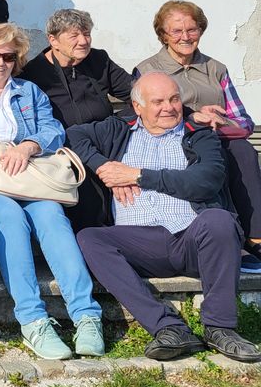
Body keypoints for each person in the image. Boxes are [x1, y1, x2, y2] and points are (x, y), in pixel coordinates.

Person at [0, 23, 105, 360]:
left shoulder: (29, 91)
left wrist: (28, 146)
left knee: (53, 217)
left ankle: (87, 316)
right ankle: (33, 320)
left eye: (8, 57)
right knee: (11, 221)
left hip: (29, 177)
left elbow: (53, 130)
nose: (0, 62)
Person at [70, 73, 261, 363]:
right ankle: (169, 328)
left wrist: (138, 176)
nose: (168, 107)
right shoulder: (119, 130)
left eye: (174, 99)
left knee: (219, 220)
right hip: (140, 242)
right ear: (138, 107)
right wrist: (104, 166)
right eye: (158, 102)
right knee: (89, 238)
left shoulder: (198, 134)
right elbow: (73, 135)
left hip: (192, 238)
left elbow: (205, 181)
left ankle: (220, 328)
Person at [135, 0, 261, 256]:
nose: (185, 37)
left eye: (192, 29)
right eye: (176, 31)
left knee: (243, 150)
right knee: (206, 158)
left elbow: (244, 122)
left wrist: (218, 121)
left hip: (218, 136)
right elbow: (144, 115)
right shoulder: (148, 70)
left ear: (200, 31)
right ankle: (221, 239)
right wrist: (192, 120)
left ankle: (255, 237)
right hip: (173, 139)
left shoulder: (216, 69)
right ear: (163, 35)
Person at [19, 9, 134, 231]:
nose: (83, 41)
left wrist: (120, 123)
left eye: (87, 34)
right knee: (88, 193)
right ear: (53, 40)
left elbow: (138, 94)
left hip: (108, 139)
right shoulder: (33, 74)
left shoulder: (99, 60)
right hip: (68, 149)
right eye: (74, 35)